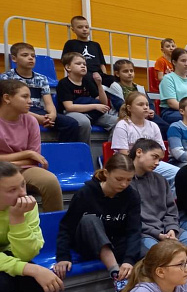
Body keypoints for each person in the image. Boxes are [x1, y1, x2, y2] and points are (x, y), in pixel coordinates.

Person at [53, 153, 141, 292]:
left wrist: (129, 260)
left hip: (117, 244)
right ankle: (117, 276)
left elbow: (134, 230)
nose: (124, 184)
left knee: (151, 253)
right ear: (106, 173)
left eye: (129, 180)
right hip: (88, 244)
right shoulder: (85, 193)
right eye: (119, 179)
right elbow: (66, 227)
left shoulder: (132, 195)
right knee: (90, 220)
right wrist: (63, 257)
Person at [0, 161, 63, 292]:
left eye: (23, 185)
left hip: (9, 256)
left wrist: (17, 219)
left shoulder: (26, 205)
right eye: (12, 190)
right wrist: (33, 269)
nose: (22, 193)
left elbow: (26, 255)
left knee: (33, 283)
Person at [0, 80, 64, 212]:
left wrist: (11, 162)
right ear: (7, 98)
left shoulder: (31, 121)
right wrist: (27, 153)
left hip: (24, 168)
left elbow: (34, 159)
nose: (30, 101)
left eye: (30, 97)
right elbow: (31, 155)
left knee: (50, 181)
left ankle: (54, 223)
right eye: (24, 97)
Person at [1, 42, 81, 142]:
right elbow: (8, 105)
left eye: (33, 56)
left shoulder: (41, 78)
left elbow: (49, 103)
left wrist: (52, 115)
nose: (30, 58)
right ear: (14, 58)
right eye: (25, 55)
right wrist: (38, 118)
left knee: (71, 124)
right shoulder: (6, 78)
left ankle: (62, 150)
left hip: (38, 110)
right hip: (17, 111)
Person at [128, 139, 187, 256]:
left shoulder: (161, 180)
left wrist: (171, 229)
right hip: (144, 234)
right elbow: (132, 220)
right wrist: (157, 234)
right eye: (154, 157)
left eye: (159, 159)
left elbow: (171, 211)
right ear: (139, 152)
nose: (157, 163)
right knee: (159, 256)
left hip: (168, 230)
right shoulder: (125, 182)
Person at [112, 91, 178, 190]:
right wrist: (143, 162)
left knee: (177, 174)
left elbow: (161, 152)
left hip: (152, 162)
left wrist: (150, 160)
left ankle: (168, 198)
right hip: (129, 164)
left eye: (147, 104)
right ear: (129, 108)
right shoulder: (123, 125)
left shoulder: (153, 126)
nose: (145, 107)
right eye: (140, 104)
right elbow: (124, 154)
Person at [56, 51, 118, 142]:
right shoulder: (64, 83)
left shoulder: (87, 81)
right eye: (78, 64)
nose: (83, 66)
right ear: (68, 67)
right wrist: (95, 106)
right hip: (71, 113)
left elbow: (103, 102)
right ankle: (84, 149)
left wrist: (99, 84)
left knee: (119, 122)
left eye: (84, 64)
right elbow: (69, 107)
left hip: (90, 113)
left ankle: (112, 148)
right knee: (84, 122)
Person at [106, 59, 169, 138]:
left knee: (165, 127)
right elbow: (119, 105)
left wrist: (151, 110)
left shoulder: (140, 88)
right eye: (125, 71)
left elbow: (149, 103)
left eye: (131, 71)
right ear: (117, 74)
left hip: (144, 114)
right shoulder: (115, 86)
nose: (130, 73)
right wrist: (139, 111)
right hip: (125, 115)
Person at [62, 15, 116, 86]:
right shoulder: (71, 43)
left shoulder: (95, 45)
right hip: (82, 74)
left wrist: (104, 76)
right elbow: (65, 62)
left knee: (113, 79)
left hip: (98, 74)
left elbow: (102, 64)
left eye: (86, 27)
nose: (84, 29)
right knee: (88, 79)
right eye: (80, 27)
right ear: (73, 30)